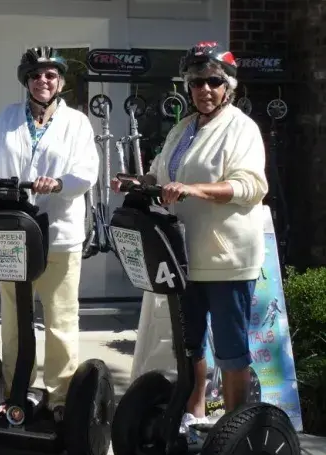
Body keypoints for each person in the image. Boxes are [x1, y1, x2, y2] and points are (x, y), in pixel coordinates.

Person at [111, 41, 268, 433]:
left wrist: (196, 189)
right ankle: (194, 415)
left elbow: (251, 186)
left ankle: (235, 432)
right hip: (184, 257)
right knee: (190, 344)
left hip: (226, 259)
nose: (205, 89)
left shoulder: (241, 129)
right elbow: (164, 177)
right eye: (197, 82)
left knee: (232, 352)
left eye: (214, 81)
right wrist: (139, 181)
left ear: (228, 86)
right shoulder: (183, 127)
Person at [0, 46, 99, 420]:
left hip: (58, 235)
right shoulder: (5, 119)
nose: (44, 81)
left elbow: (87, 171)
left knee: (59, 319)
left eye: (51, 75)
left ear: (59, 82)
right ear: (26, 80)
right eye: (37, 75)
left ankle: (60, 400)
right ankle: (14, 390)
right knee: (13, 318)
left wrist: (59, 184)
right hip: (13, 233)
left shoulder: (76, 123)